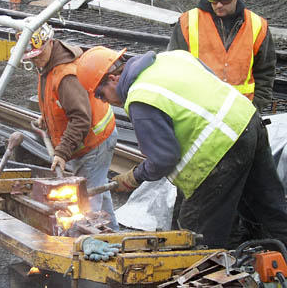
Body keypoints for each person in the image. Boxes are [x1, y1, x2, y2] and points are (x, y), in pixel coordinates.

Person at [76, 46, 287, 249]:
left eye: (101, 95)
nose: (105, 102)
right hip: (248, 122)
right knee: (268, 206)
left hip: (220, 149)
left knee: (194, 233)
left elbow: (164, 159)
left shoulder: (140, 98)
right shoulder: (171, 58)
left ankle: (211, 276)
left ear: (112, 79)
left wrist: (134, 177)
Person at [17, 22, 119, 231]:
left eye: (37, 55)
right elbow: (59, 102)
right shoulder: (48, 62)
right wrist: (47, 119)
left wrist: (62, 153)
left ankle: (88, 248)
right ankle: (114, 237)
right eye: (31, 56)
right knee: (97, 191)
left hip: (94, 142)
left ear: (49, 43)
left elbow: (80, 118)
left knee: (86, 204)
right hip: (92, 137)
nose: (34, 60)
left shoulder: (65, 75)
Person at [167, 0, 276, 113]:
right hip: (198, 113)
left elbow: (265, 72)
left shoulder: (257, 25)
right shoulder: (188, 22)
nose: (218, 5)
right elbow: (172, 69)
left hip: (241, 114)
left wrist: (255, 108)